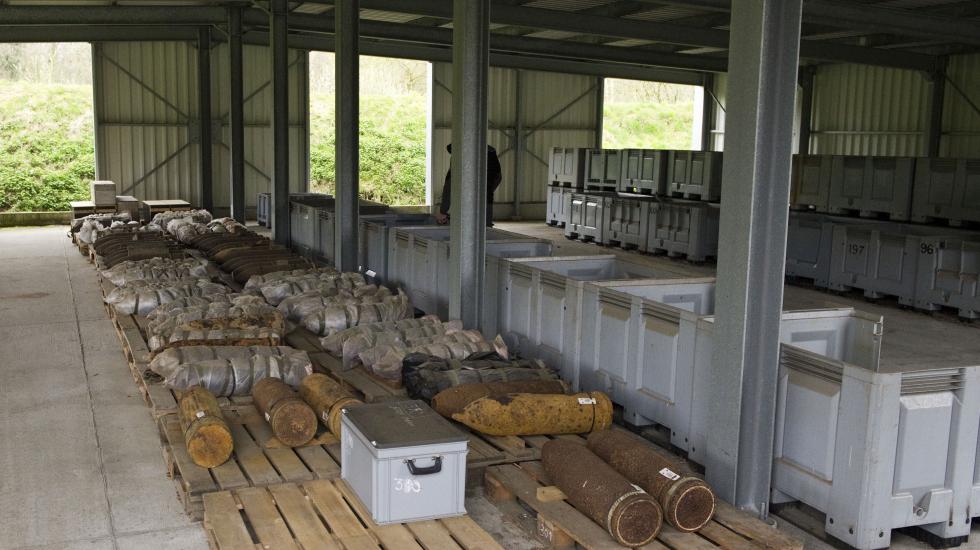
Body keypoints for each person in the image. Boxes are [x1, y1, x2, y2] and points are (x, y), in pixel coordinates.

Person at [436, 143, 502, 227]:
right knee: (486, 195)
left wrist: (443, 211)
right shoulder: (488, 150)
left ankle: (484, 224)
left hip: (489, 172)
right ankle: (486, 224)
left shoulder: (460, 155)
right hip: (493, 174)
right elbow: (498, 177)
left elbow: (449, 186)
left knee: (484, 194)